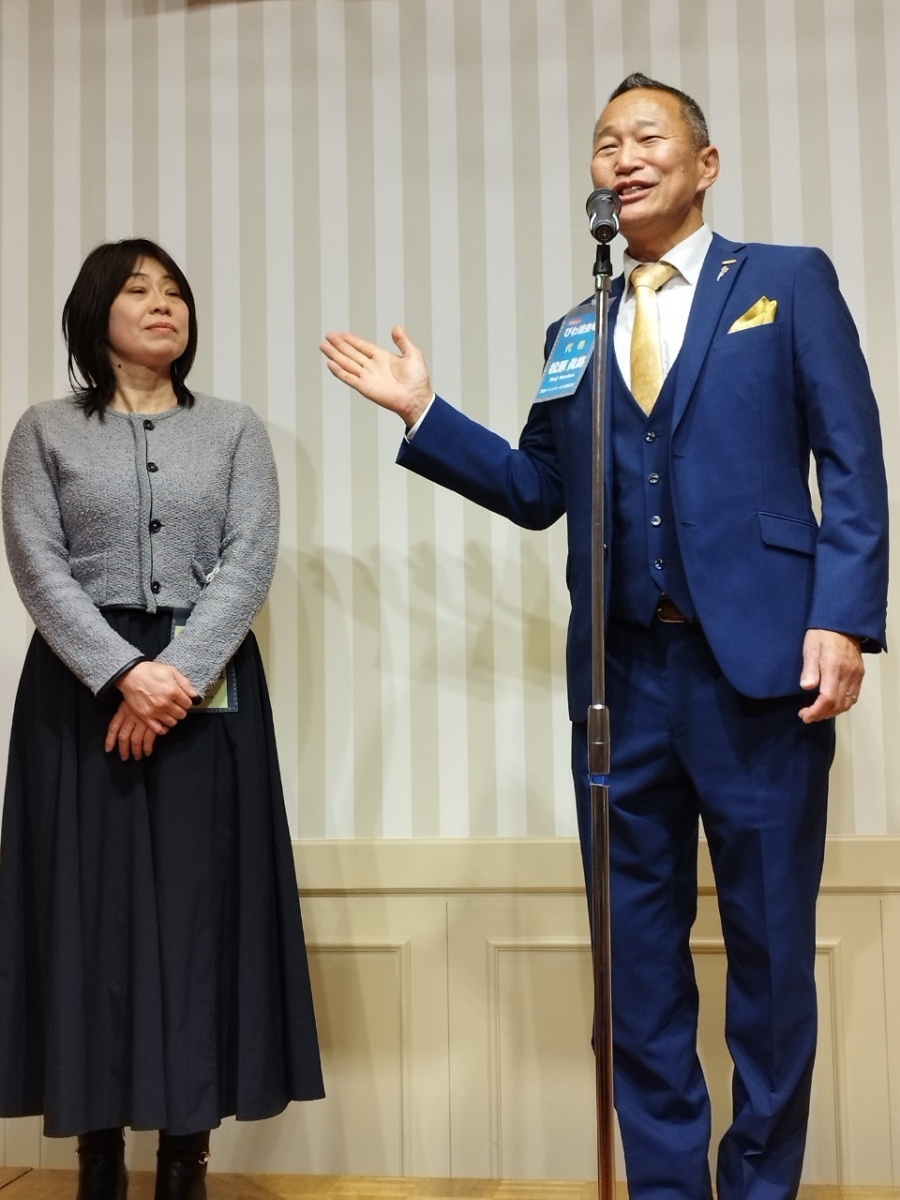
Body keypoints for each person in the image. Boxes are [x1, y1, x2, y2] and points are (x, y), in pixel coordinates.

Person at [321, 74, 889, 1198]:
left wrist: (842, 616)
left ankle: (761, 1186)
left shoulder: (785, 282)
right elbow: (539, 489)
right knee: (636, 970)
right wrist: (425, 414)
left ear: (704, 163)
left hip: (760, 676)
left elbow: (854, 458)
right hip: (620, 685)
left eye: (646, 137)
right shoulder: (577, 327)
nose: (622, 158)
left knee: (772, 963)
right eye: (604, 143)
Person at [0, 239, 324, 1200]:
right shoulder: (44, 431)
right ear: (94, 313)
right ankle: (96, 1154)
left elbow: (250, 555)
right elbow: (35, 562)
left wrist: (172, 675)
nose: (162, 303)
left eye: (175, 290)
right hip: (78, 691)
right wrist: (119, 674)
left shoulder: (233, 430)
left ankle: (187, 1156)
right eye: (138, 289)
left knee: (196, 918)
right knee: (86, 918)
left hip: (205, 687)